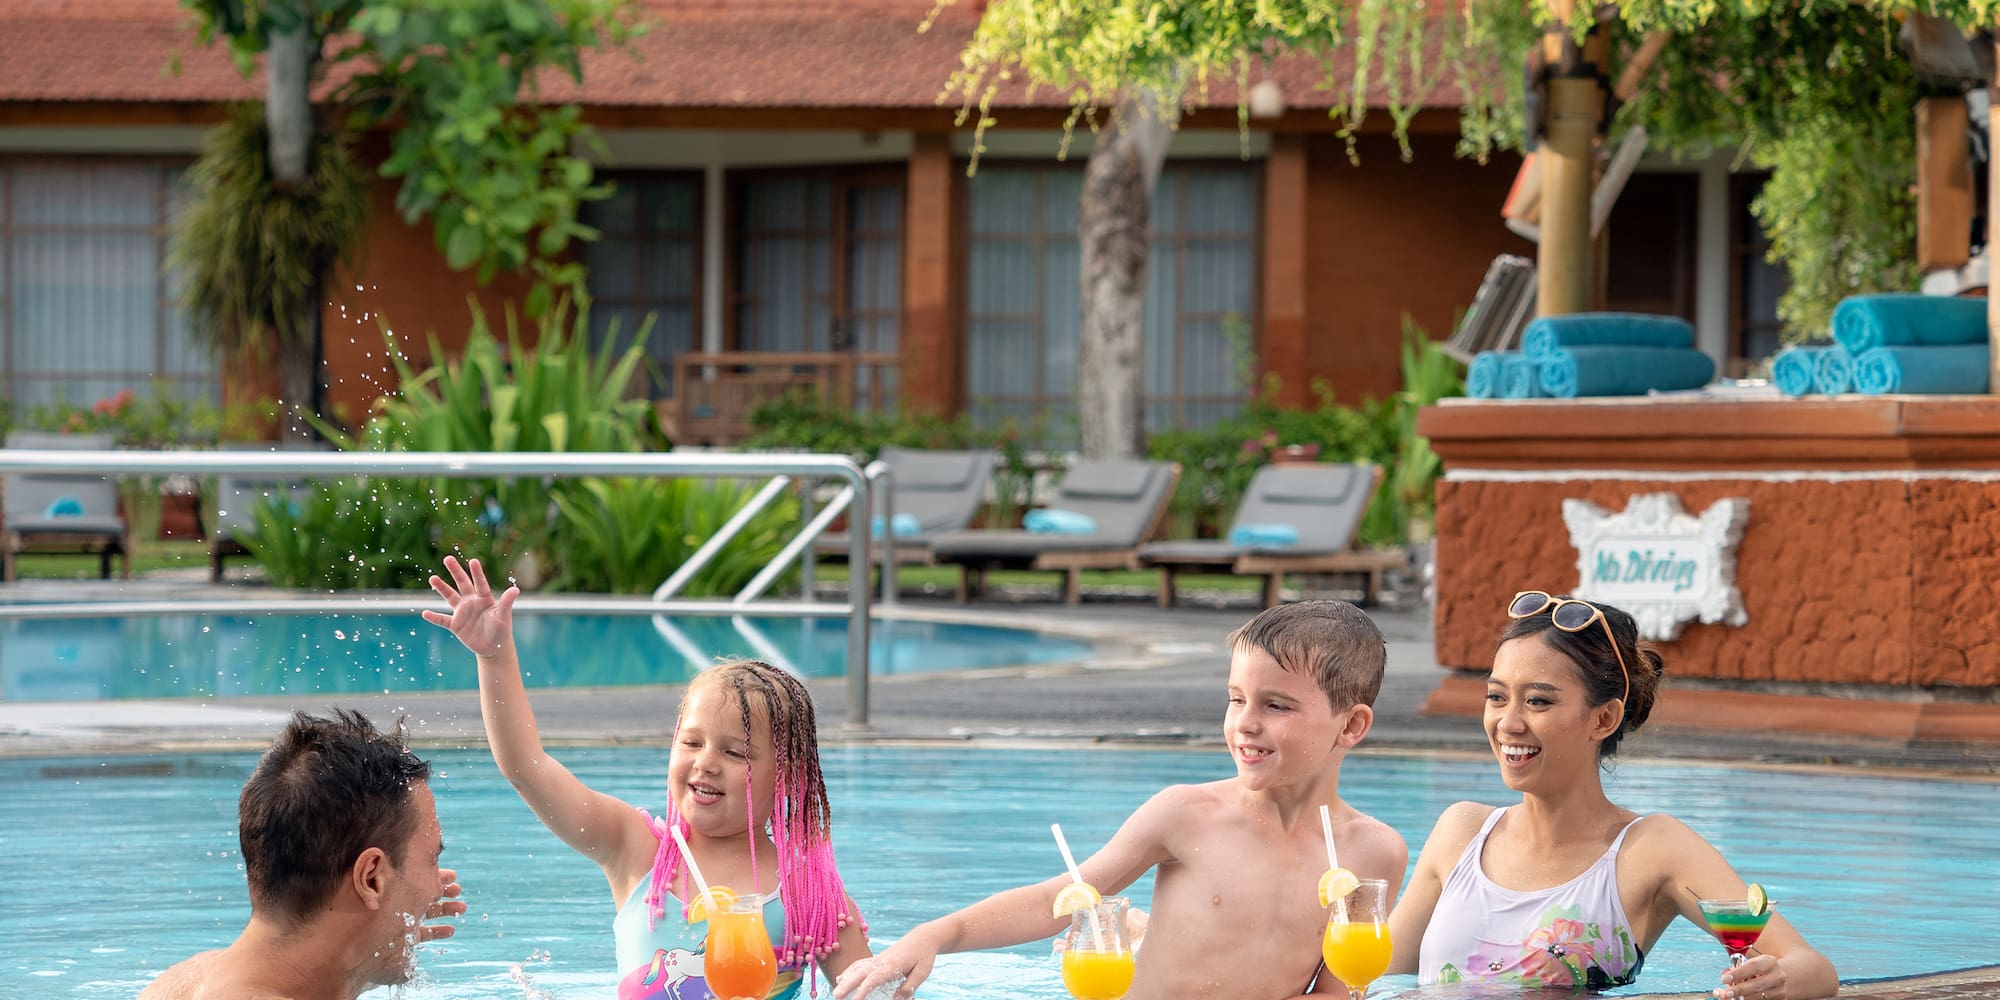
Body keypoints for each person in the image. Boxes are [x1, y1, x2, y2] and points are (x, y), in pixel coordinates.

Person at [833, 600, 1406, 1000]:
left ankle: (1136, 928)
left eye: (1276, 706)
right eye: (1236, 700)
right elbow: (1062, 897)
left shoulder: (1373, 852)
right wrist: (933, 935)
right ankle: (1134, 930)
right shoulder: (1187, 815)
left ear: (1350, 726)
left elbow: (1339, 990)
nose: (1245, 725)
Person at [424, 555, 870, 999]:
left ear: (787, 776)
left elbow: (875, 990)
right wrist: (495, 659)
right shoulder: (636, 849)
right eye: (691, 743)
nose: (706, 762)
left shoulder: (810, 890)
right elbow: (527, 769)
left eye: (735, 752)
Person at [1385, 590, 1839, 999]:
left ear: (1603, 719)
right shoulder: (1462, 832)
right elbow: (1375, 977)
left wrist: (1776, 982)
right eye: (1497, 697)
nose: (1509, 722)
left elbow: (1814, 969)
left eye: (1539, 701)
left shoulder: (1650, 849)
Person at [139, 709, 465, 1000]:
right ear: (371, 878)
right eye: (432, 859)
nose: (438, 888)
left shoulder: (189, 978)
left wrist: (371, 951)